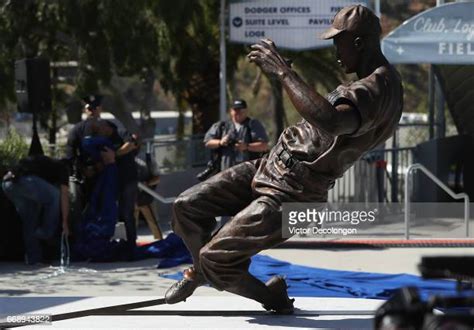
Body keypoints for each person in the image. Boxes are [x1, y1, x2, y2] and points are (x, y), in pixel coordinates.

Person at [164, 5, 403, 314]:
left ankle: (262, 293)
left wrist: (283, 72)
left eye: (337, 42)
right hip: (269, 167)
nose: (334, 51)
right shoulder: (371, 81)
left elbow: (331, 119)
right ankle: (205, 271)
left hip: (295, 192)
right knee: (186, 206)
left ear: (357, 42)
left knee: (214, 258)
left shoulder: (378, 87)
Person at [2, 156, 70, 265]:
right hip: (24, 181)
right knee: (55, 196)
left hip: (7, 184)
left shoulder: (43, 164)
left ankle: (34, 258)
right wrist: (65, 222)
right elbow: (64, 195)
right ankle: (45, 232)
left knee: (30, 220)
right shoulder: (62, 168)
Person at [200, 99, 268, 178]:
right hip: (225, 173)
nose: (238, 113)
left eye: (241, 110)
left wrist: (246, 146)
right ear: (231, 111)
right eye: (235, 110)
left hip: (248, 173)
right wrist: (221, 142)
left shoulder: (252, 125)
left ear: (246, 111)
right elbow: (207, 142)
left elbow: (264, 146)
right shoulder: (222, 126)